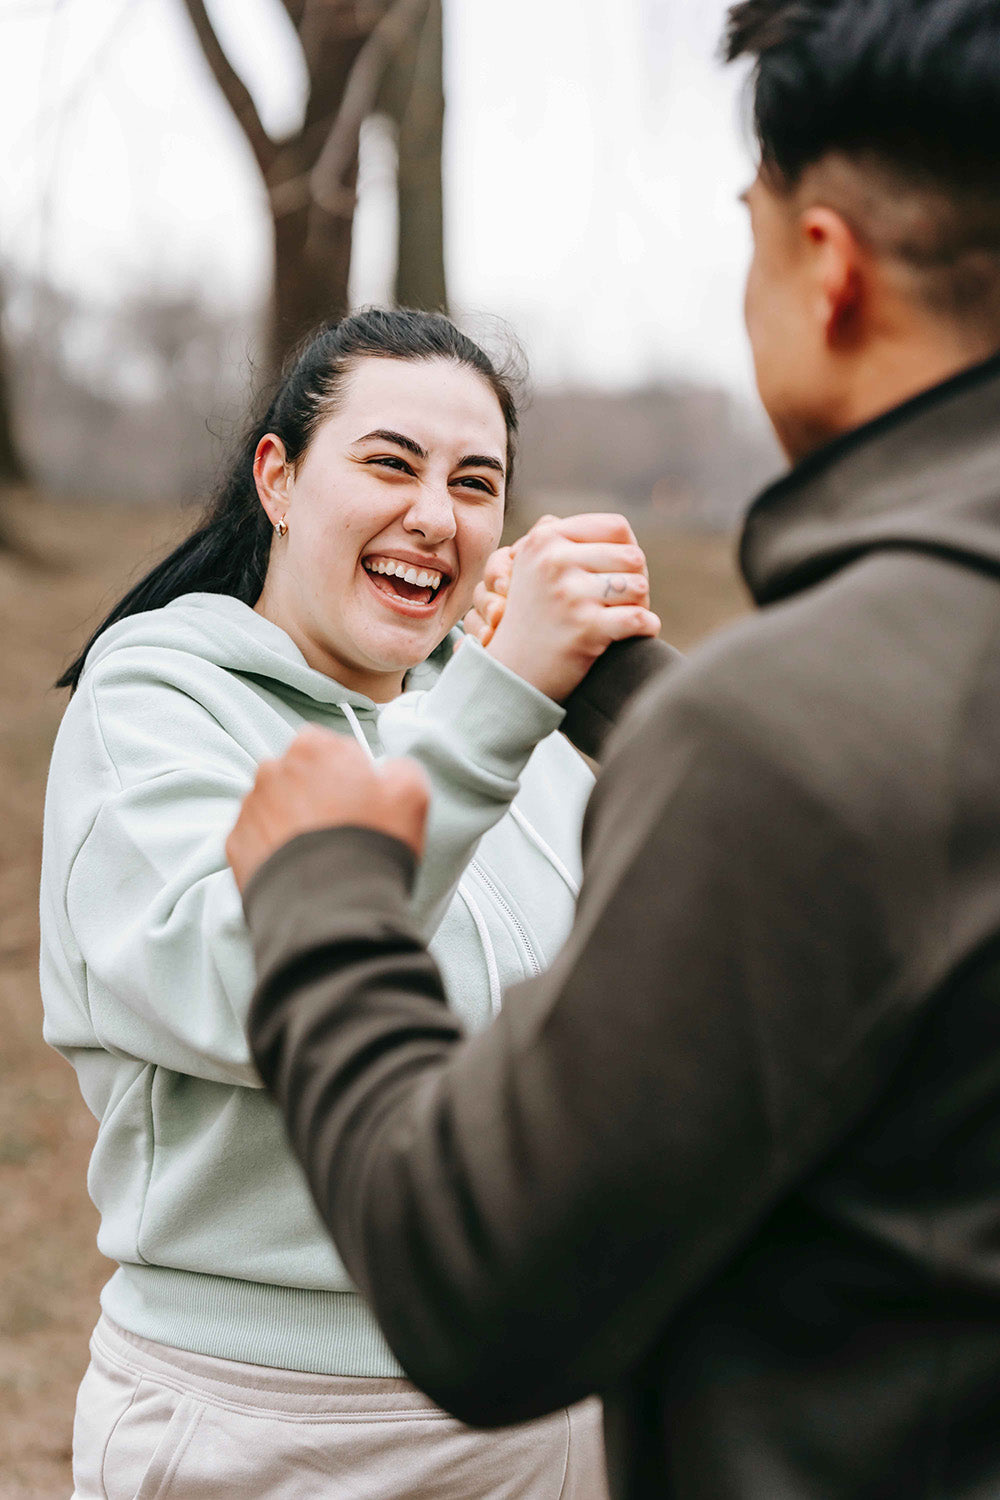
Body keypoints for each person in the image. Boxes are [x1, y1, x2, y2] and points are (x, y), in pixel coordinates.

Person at [226, 2, 1000, 1497]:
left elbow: (484, 1289)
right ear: (280, 477)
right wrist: (636, 700)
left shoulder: (783, 737)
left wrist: (324, 907)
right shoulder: (825, 715)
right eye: (386, 461)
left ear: (825, 266)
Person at [39, 306, 663, 1499]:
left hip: (546, 1412)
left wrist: (631, 712)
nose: (435, 514)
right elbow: (239, 992)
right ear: (277, 479)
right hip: (267, 1431)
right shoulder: (152, 708)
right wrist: (492, 707)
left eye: (475, 483)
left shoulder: (509, 730)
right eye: (389, 462)